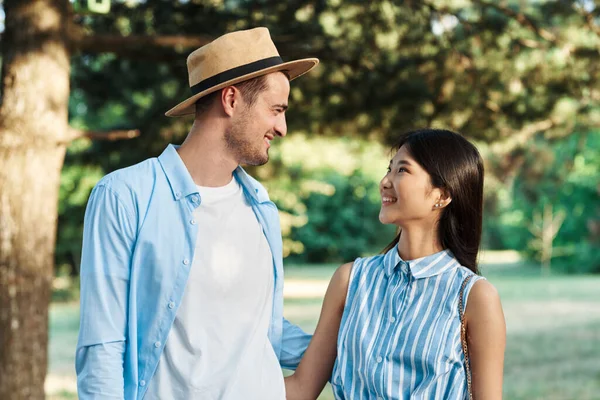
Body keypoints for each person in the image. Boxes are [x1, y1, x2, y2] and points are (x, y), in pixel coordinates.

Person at [75, 27, 319, 400]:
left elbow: (256, 327)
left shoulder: (260, 205)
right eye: (277, 110)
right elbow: (102, 346)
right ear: (232, 99)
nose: (282, 128)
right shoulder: (126, 196)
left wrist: (352, 346)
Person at [285, 128, 506, 400]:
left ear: (443, 194)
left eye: (402, 170)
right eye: (389, 169)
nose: (385, 181)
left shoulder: (474, 297)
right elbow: (300, 389)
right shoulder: (350, 280)